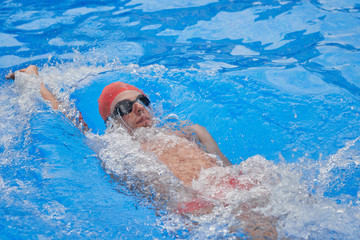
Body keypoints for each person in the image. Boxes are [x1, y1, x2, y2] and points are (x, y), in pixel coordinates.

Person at [6, 65, 278, 239]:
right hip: (189, 206)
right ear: (114, 123)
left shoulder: (191, 132)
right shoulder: (115, 146)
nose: (139, 108)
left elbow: (228, 169)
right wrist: (34, 82)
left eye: (142, 100)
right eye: (125, 108)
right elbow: (67, 119)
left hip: (233, 188)